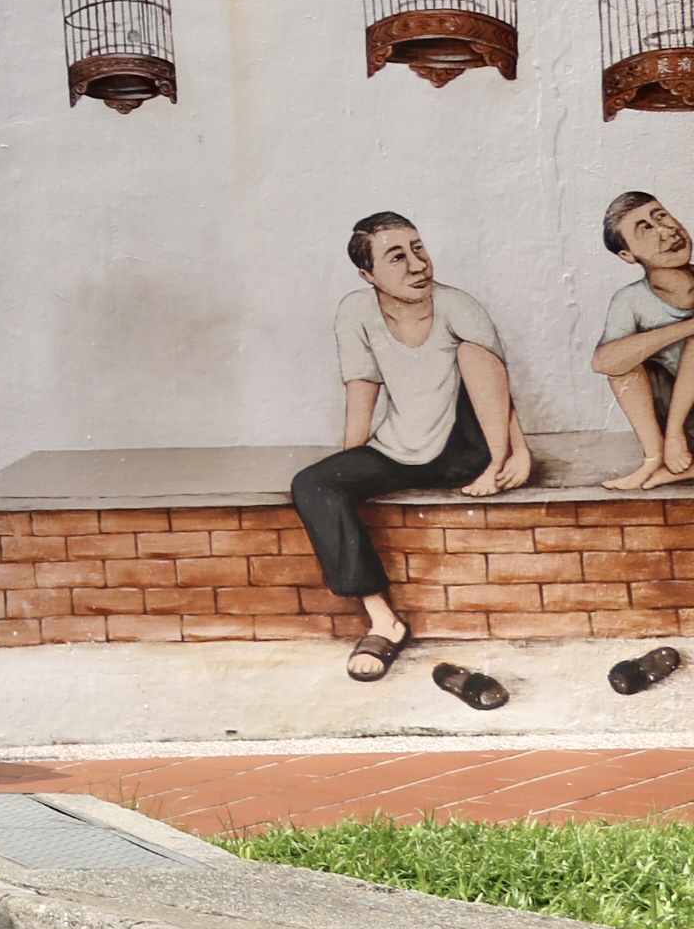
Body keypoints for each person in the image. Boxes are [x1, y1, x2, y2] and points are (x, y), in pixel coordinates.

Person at [292, 210, 533, 682]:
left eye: (418, 249)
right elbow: (362, 390)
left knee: (472, 352)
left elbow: (495, 386)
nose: (417, 264)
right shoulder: (355, 311)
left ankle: (499, 459)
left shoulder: (458, 304)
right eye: (397, 257)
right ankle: (383, 620)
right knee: (313, 484)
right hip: (401, 447)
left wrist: (514, 454)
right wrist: (349, 468)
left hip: (470, 450)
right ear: (369, 275)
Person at [592, 191, 694, 491]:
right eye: (646, 228)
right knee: (623, 362)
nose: (667, 232)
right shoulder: (631, 300)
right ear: (628, 255)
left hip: (681, 427)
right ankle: (654, 457)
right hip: (687, 420)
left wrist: (674, 432)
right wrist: (687, 326)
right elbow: (604, 361)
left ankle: (679, 459)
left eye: (660, 215)